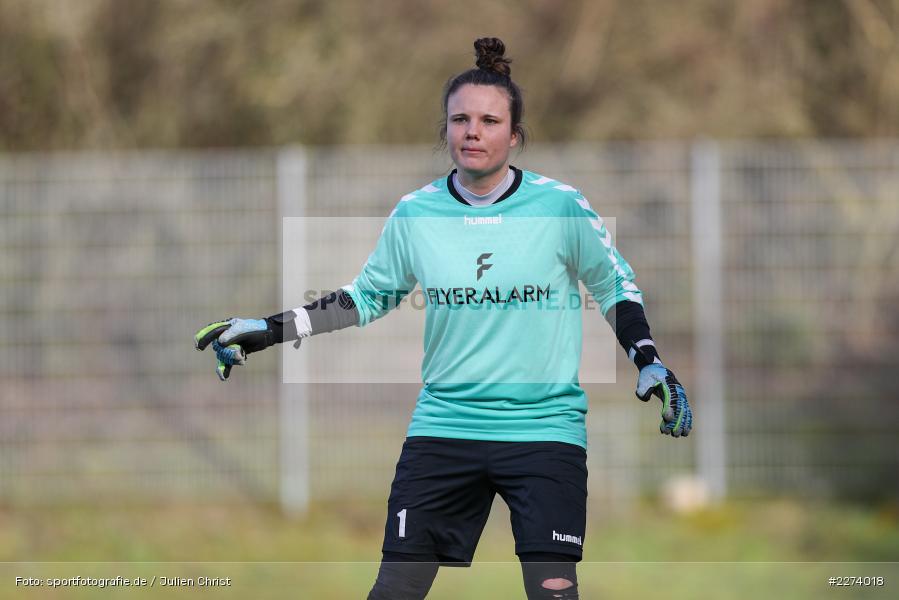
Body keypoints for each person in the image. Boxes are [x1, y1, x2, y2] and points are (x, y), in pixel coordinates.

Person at [194, 37, 692, 600]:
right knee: (395, 590)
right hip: (444, 427)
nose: (472, 131)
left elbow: (614, 284)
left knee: (553, 590)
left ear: (514, 135)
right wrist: (269, 329)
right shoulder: (417, 211)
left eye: (488, 120)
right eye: (459, 119)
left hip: (543, 432)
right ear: (445, 130)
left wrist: (646, 357)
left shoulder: (560, 206)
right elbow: (365, 296)